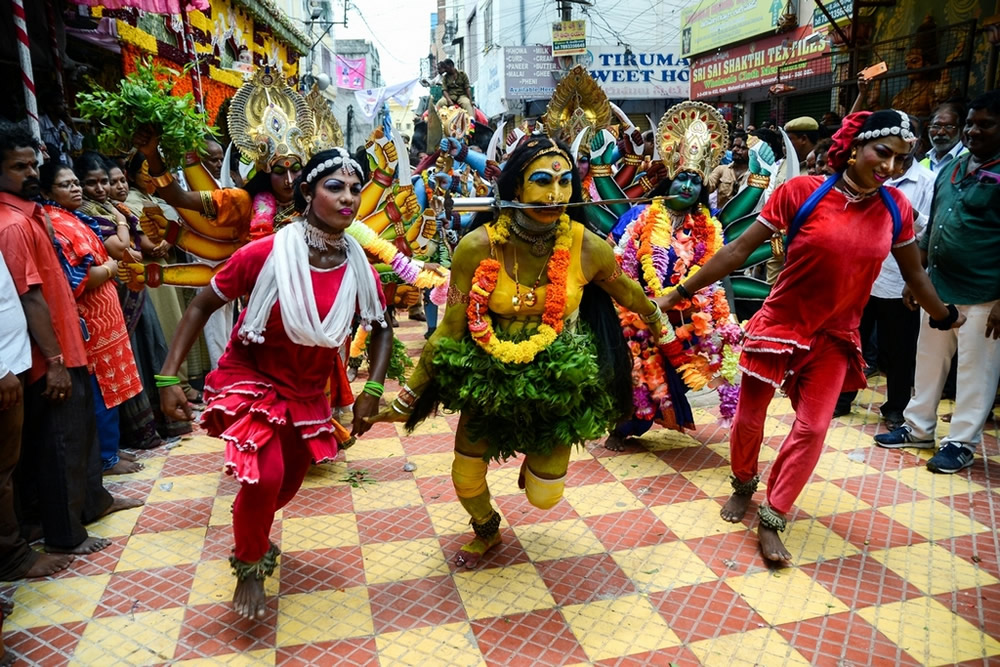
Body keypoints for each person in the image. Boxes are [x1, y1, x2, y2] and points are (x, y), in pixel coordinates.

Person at [654, 110, 962, 565]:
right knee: (751, 419)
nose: (891, 168)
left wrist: (944, 314)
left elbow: (914, 274)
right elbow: (738, 251)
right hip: (780, 324)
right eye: (883, 153)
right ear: (855, 147)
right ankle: (743, 484)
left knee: (813, 427)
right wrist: (676, 293)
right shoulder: (802, 192)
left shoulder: (896, 208)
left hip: (836, 336)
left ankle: (774, 515)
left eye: (901, 159)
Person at [368, 136, 667, 568]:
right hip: (488, 375)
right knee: (466, 475)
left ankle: (535, 461)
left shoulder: (588, 247)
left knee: (546, 496)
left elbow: (628, 291)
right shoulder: (476, 247)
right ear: (514, 190)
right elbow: (450, 328)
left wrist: (659, 319)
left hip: (559, 382)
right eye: (542, 181)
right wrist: (408, 396)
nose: (555, 195)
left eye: (565, 183)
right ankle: (486, 528)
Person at [158, 148, 394, 620]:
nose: (348, 198)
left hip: (309, 390)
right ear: (307, 193)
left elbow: (382, 324)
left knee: (285, 484)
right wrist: (168, 377)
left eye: (354, 188)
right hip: (254, 377)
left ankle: (254, 526)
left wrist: (372, 390)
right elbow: (203, 303)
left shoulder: (357, 266)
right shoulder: (266, 252)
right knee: (263, 478)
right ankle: (249, 565)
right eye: (334, 187)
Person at [0, 122, 141, 555]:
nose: (30, 173)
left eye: (32, 164)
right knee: (60, 444)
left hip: (71, 341)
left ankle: (94, 501)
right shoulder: (11, 226)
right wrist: (55, 359)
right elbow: (30, 298)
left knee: (80, 435)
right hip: (51, 351)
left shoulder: (34, 214)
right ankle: (66, 535)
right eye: (19, 167)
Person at [874, 91, 1000, 473]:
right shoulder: (951, 170)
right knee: (927, 360)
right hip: (939, 289)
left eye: (985, 124)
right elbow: (931, 229)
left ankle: (961, 441)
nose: (973, 131)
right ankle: (917, 427)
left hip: (984, 294)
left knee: (975, 371)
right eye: (971, 123)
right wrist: (918, 279)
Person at [605, 101, 742, 451]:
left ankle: (649, 420)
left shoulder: (709, 228)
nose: (686, 186)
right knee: (639, 372)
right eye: (681, 177)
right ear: (669, 178)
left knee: (682, 370)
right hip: (640, 310)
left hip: (684, 313)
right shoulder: (640, 216)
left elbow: (713, 273)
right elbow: (619, 262)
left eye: (694, 181)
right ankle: (622, 430)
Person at [40, 162, 145, 475]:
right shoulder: (56, 223)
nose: (74, 189)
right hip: (90, 326)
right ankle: (105, 459)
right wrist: (111, 269)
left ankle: (110, 452)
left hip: (106, 322)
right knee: (100, 394)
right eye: (66, 185)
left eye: (75, 183)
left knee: (111, 391)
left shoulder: (74, 218)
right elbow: (78, 279)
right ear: (47, 192)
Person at [833, 119, 935, 428]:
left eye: (902, 150)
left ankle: (896, 407)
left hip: (898, 279)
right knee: (854, 341)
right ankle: (842, 397)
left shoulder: (926, 181)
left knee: (900, 349)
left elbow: (930, 228)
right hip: (862, 278)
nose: (891, 162)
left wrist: (904, 210)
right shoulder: (866, 167)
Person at [0, 248, 73, 579]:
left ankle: (16, 537)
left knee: (10, 466)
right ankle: (12, 558)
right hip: (4, 371)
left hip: (14, 365)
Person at [919, 102, 967, 173]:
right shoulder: (922, 165)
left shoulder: (969, 159)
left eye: (949, 127)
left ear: (961, 130)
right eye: (936, 126)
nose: (941, 132)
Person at [708, 132, 749, 209]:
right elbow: (708, 186)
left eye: (741, 147)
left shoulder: (755, 174)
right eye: (734, 146)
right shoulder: (721, 169)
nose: (735, 149)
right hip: (719, 218)